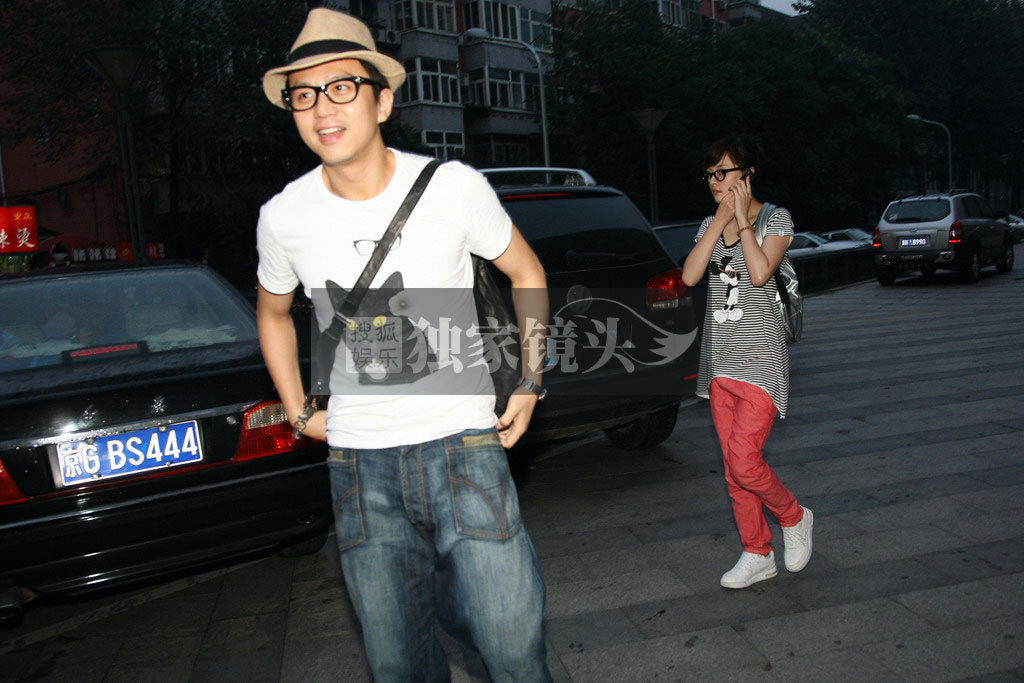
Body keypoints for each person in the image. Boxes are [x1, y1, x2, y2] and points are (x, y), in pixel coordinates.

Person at [255, 9, 551, 681]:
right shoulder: (283, 217)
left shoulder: (453, 187)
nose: (322, 107)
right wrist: (298, 410)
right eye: (304, 94)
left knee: (513, 646)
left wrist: (531, 380)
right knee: (398, 664)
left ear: (382, 100)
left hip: (465, 446)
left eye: (341, 87)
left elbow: (527, 272)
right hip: (359, 466)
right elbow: (272, 313)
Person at [681, 136, 813, 590]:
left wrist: (741, 221)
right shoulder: (709, 223)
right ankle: (757, 552)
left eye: (724, 172)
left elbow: (758, 274)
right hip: (721, 363)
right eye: (709, 174)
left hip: (761, 361)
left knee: (744, 460)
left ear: (748, 174)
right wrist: (720, 221)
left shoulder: (777, 219)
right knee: (734, 470)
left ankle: (793, 516)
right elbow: (691, 275)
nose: (714, 181)